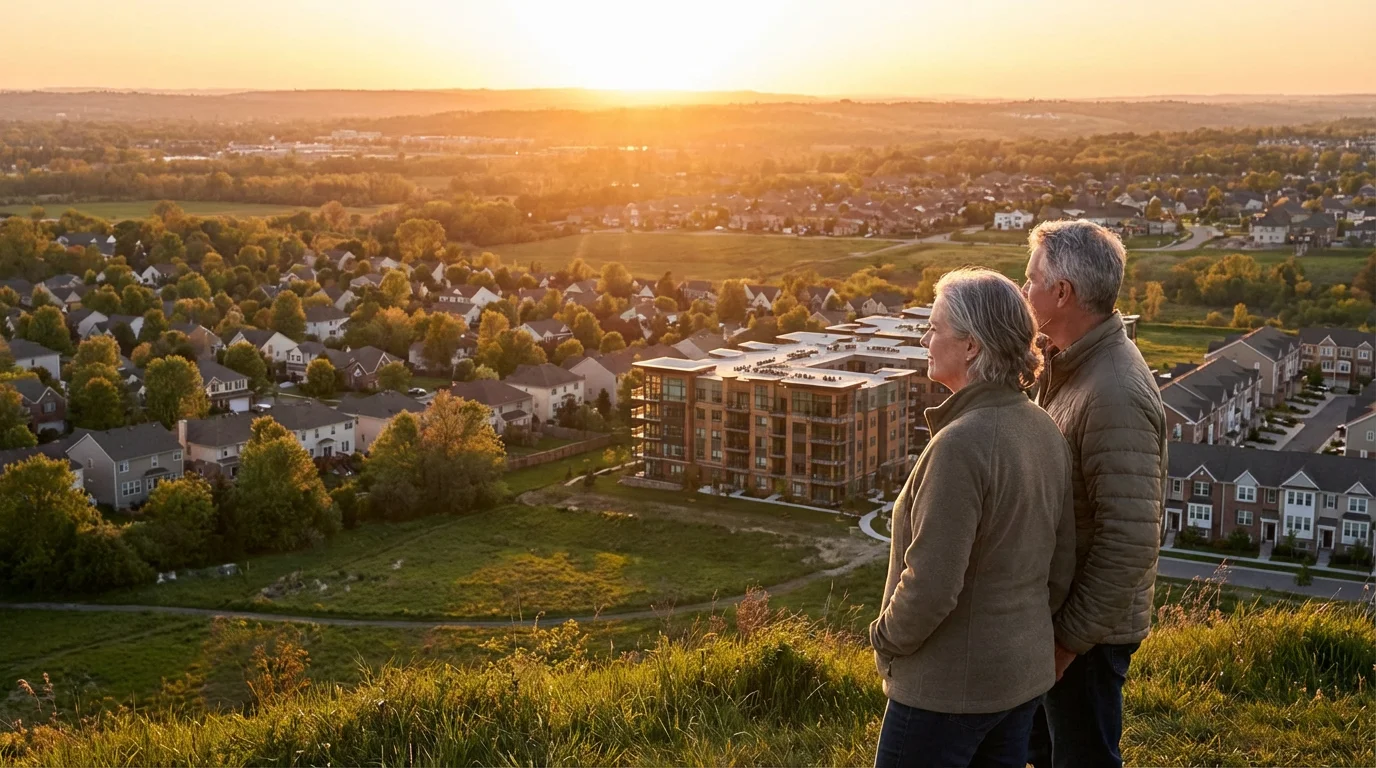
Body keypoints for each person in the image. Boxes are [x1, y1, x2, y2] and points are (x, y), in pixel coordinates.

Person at [870, 268, 1077, 768]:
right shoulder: (1043, 429)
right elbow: (1061, 566)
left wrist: (885, 638)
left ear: (970, 346)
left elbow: (932, 585)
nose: (925, 338)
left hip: (945, 692)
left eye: (935, 327)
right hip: (1019, 680)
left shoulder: (960, 445)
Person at [1021, 220, 1168, 768]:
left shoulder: (1112, 393)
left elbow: (1129, 540)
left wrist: (1067, 643)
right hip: (1061, 616)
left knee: (1082, 757)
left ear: (1062, 294)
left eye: (1030, 278)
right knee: (1041, 748)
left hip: (1086, 632)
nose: (1024, 289)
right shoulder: (1069, 364)